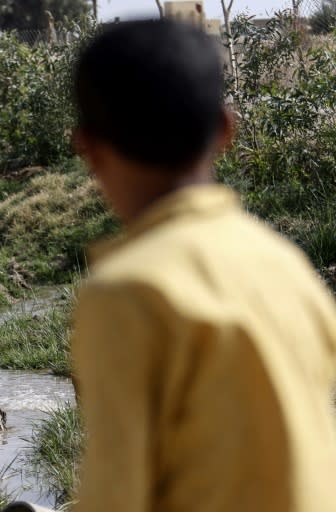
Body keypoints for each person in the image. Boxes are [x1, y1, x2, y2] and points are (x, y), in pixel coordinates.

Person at [69, 19, 336, 512]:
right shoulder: (287, 265)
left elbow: (117, 494)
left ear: (88, 146)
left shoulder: (127, 292)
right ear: (226, 128)